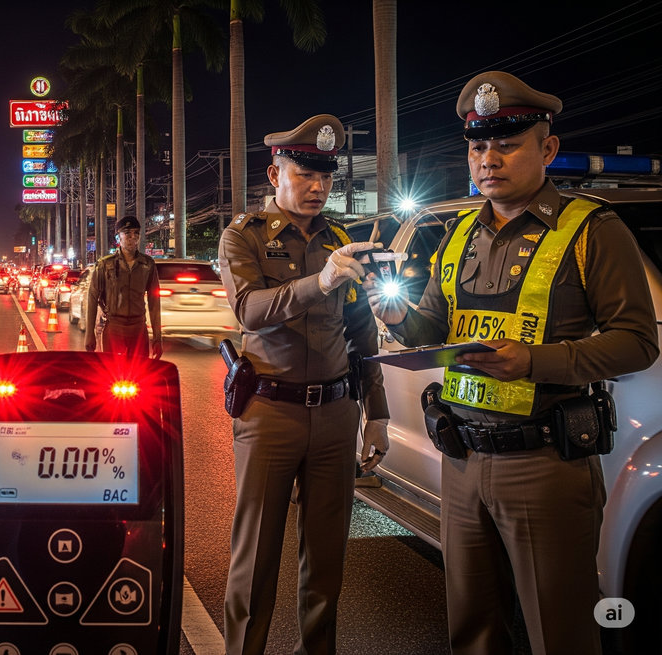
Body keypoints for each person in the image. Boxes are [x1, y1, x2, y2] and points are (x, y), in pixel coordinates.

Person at [367, 71, 658, 654]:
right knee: (472, 628)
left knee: (559, 632)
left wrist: (535, 361)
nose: (488, 159)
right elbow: (434, 326)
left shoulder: (593, 231)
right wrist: (398, 320)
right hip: (462, 456)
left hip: (545, 462)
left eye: (506, 143)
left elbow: (637, 342)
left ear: (546, 148)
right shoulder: (458, 236)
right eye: (478, 146)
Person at [218, 114, 390, 655]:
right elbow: (249, 310)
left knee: (327, 559)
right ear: (275, 174)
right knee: (256, 558)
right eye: (304, 173)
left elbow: (362, 332)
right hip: (271, 412)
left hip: (337, 412)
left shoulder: (340, 240)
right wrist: (321, 281)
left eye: (326, 177)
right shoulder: (242, 237)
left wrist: (377, 413)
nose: (317, 187)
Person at [83, 216, 163, 359]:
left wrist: (157, 338)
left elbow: (154, 302)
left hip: (138, 329)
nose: (132, 237)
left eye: (136, 233)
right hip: (114, 329)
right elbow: (92, 297)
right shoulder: (105, 265)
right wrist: (90, 334)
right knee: (111, 375)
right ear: (118, 237)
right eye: (127, 233)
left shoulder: (147, 264)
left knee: (140, 376)